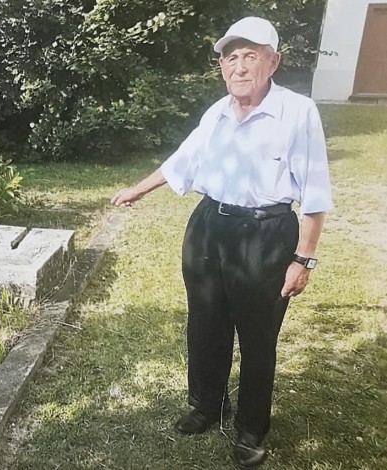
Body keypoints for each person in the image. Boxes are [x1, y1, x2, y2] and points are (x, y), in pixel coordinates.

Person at [110, 16, 333, 469]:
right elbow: (183, 160)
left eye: (251, 56)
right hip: (209, 227)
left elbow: (315, 191)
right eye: (231, 58)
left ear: (274, 62)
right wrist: (137, 189)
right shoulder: (217, 113)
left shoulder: (298, 112)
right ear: (222, 67)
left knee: (257, 336)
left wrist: (303, 259)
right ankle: (206, 405)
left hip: (266, 234)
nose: (240, 66)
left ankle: (251, 428)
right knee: (205, 322)